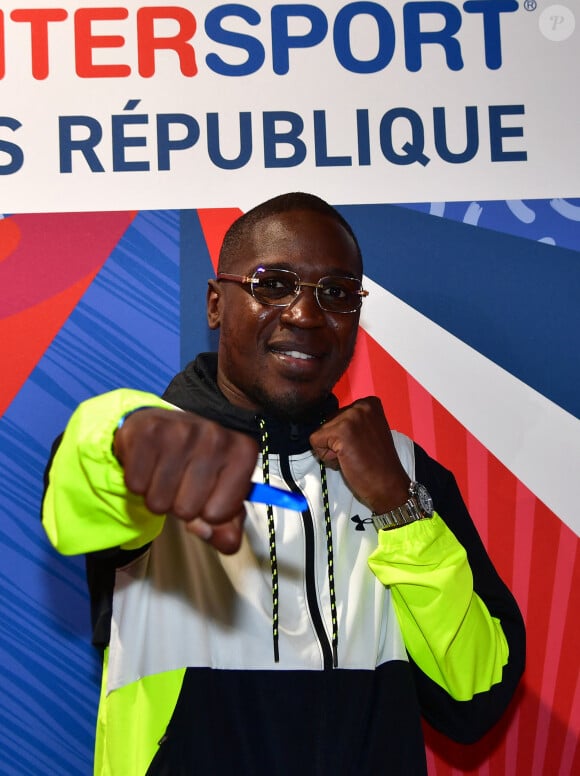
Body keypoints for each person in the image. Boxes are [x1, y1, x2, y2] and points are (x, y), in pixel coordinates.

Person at [42, 192, 525, 776]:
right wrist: (125, 434)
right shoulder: (159, 453)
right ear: (217, 305)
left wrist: (399, 509)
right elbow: (85, 480)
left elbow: (473, 699)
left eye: (338, 293)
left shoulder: (406, 476)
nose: (306, 314)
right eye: (274, 284)